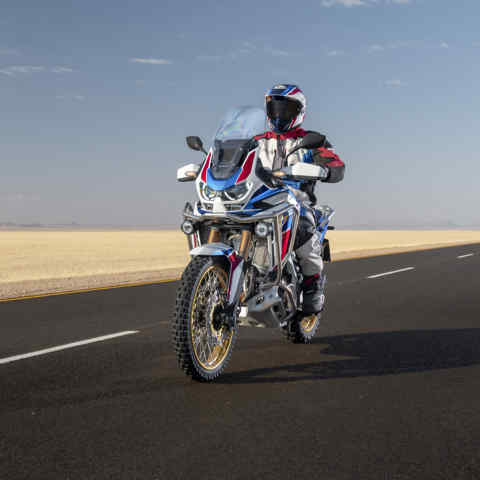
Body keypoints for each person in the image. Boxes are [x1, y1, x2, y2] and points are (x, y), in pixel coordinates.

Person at [254, 84, 345, 314]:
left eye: (285, 109)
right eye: (274, 108)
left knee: (304, 230)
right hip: (259, 201)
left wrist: (325, 171)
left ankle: (313, 285)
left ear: (298, 112)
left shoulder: (312, 141)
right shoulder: (256, 141)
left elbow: (336, 165)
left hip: (297, 201)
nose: (279, 114)